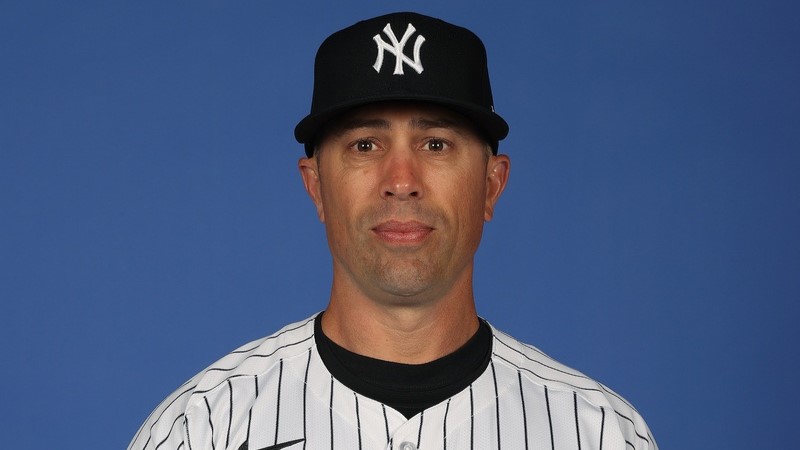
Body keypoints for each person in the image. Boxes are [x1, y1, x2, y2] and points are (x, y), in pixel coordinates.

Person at [128, 12, 658, 450]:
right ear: (316, 187)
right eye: (365, 145)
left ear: (491, 186)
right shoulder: (203, 429)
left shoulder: (598, 433)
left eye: (436, 144)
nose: (401, 182)